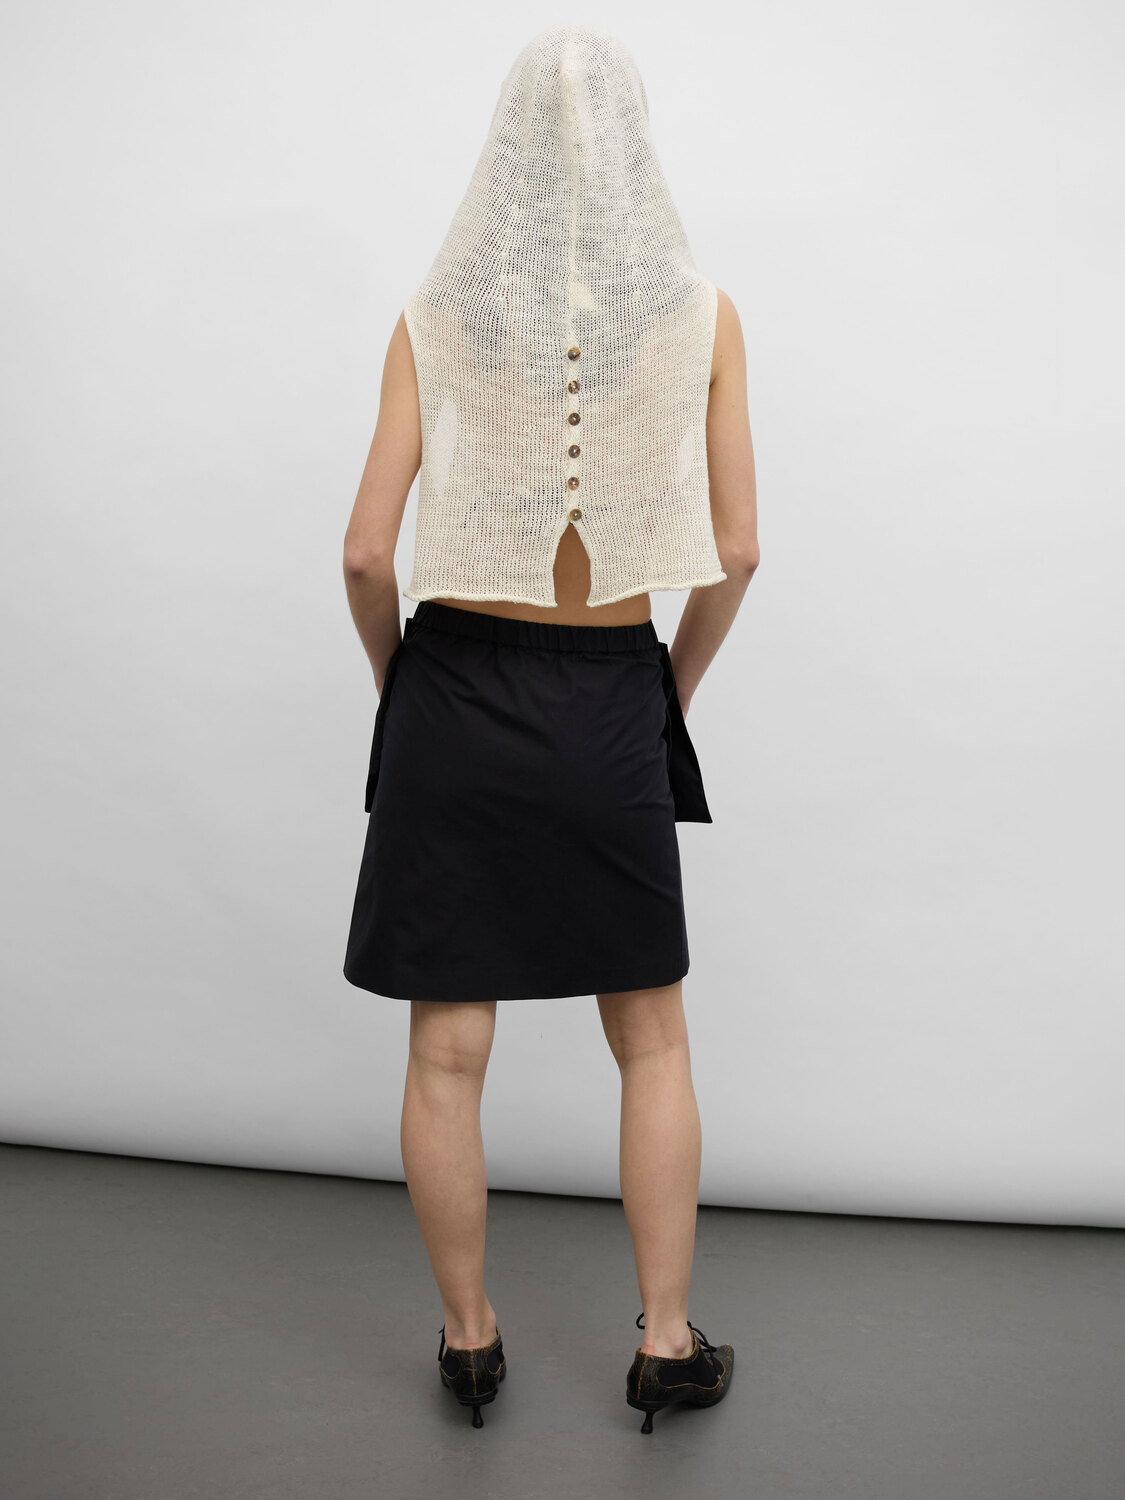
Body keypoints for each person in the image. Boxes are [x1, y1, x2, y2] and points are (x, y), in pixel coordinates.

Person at [340, 24, 759, 1432]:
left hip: (453, 696)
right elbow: (738, 551)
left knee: (446, 1050)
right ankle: (665, 1344)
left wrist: (405, 693)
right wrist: (661, 697)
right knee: (651, 1039)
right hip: (609, 699)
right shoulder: (704, 320)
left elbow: (364, 554)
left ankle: (469, 1342)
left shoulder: (435, 318)